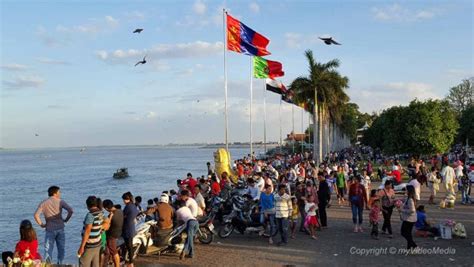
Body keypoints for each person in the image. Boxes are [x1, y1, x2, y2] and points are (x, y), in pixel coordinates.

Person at [34, 186, 73, 264]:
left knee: (48, 249)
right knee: (61, 248)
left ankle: (48, 264)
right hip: (60, 227)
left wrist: (41, 224)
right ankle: (60, 263)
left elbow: (36, 215)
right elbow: (71, 210)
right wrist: (66, 220)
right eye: (59, 192)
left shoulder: (44, 203)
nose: (60, 193)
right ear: (55, 193)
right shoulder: (60, 201)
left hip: (49, 229)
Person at [78, 196, 104, 267]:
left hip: (90, 245)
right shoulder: (101, 213)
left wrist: (82, 246)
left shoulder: (90, 215)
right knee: (95, 264)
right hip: (98, 243)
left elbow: (87, 231)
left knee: (83, 263)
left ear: (88, 205)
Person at [102, 200, 123, 267]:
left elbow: (106, 227)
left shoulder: (111, 215)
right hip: (118, 233)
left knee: (114, 252)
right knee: (110, 251)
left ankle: (117, 265)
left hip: (112, 236)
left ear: (106, 208)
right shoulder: (120, 211)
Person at [122, 192, 139, 267]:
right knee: (130, 246)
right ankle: (130, 261)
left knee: (129, 246)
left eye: (123, 199)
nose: (123, 201)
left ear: (126, 199)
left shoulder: (127, 206)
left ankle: (131, 262)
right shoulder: (133, 205)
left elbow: (123, 216)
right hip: (132, 227)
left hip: (127, 229)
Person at [399, 185, 417, 250]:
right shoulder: (408, 198)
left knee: (403, 232)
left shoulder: (410, 200)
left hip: (410, 219)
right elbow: (403, 200)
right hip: (408, 218)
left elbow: (412, 210)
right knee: (408, 233)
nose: (405, 191)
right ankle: (409, 248)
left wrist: (402, 210)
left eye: (406, 190)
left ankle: (413, 245)